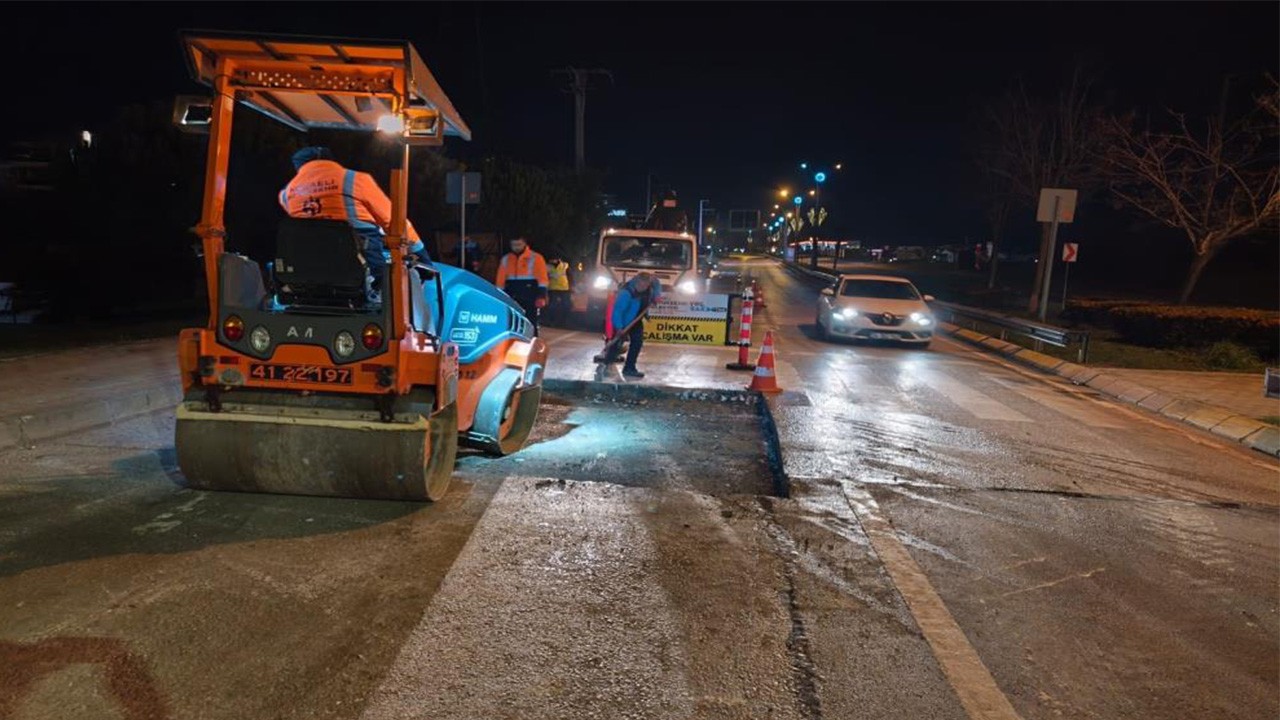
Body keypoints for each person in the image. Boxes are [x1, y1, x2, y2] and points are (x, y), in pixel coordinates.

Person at [279, 146, 429, 302]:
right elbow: (393, 220)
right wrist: (421, 254)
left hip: (305, 277)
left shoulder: (286, 194)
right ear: (330, 160)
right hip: (360, 273)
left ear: (298, 166)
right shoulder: (355, 180)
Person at [605, 272, 660, 378]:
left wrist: (656, 297)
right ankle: (607, 363)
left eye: (645, 285)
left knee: (637, 342)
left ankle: (629, 368)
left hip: (637, 320)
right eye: (640, 285)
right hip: (624, 322)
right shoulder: (626, 293)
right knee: (616, 344)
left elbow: (657, 284)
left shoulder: (650, 286)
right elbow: (618, 311)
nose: (642, 288)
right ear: (636, 281)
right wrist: (620, 327)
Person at [495, 236, 549, 334]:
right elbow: (500, 280)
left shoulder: (536, 258)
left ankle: (531, 343)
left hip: (530, 295)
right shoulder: (506, 259)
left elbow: (542, 279)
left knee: (530, 322)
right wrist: (500, 295)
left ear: (525, 243)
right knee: (511, 322)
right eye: (513, 245)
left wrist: (541, 296)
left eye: (519, 244)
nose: (516, 247)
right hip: (511, 295)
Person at [546, 255, 572, 326]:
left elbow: (570, 276)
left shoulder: (564, 266)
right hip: (553, 288)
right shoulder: (547, 266)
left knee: (566, 305)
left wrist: (572, 286)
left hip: (564, 288)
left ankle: (564, 321)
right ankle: (552, 321)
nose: (551, 261)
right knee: (552, 306)